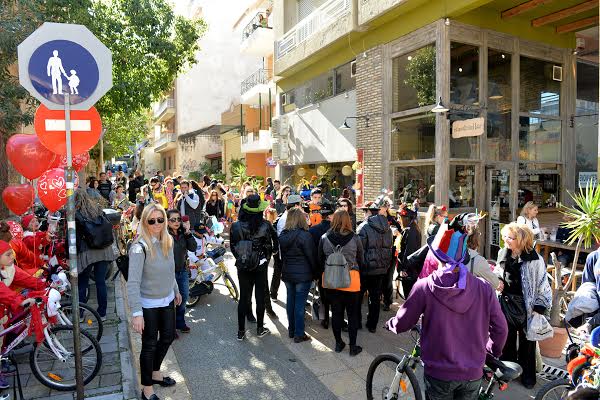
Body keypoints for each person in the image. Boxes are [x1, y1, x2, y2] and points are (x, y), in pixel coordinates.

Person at [385, 222, 508, 400]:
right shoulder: (484, 288)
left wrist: (392, 324)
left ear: (437, 257)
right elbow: (501, 329)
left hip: (438, 371)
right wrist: (490, 351)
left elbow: (404, 320)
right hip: (473, 370)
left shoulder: (425, 286)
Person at [127, 203, 181, 400]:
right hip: (148, 304)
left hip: (167, 300)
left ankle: (156, 372)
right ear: (145, 222)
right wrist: (136, 313)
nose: (157, 223)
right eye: (152, 220)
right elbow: (132, 283)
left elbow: (170, 268)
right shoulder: (139, 248)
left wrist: (175, 289)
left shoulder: (167, 240)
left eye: (160, 219)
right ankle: (147, 387)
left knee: (167, 337)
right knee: (149, 345)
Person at [496, 222, 552, 389]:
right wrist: (498, 280)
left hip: (528, 307)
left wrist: (539, 307)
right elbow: (498, 273)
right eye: (504, 236)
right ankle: (507, 373)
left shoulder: (535, 259)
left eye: (510, 237)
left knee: (528, 344)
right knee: (507, 341)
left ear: (521, 240)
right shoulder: (502, 252)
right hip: (506, 303)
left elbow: (543, 283)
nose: (506, 239)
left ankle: (528, 377)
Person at [230, 194, 278, 341]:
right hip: (260, 266)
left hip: (243, 265)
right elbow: (274, 245)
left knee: (244, 298)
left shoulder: (236, 225)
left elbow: (233, 246)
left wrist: (242, 257)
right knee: (260, 297)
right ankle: (259, 328)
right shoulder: (265, 225)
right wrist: (265, 257)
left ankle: (240, 331)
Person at [319, 209, 364, 355]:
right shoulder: (355, 238)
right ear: (347, 221)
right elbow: (361, 260)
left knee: (336, 314)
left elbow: (320, 260)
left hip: (331, 281)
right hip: (351, 280)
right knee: (352, 315)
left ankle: (338, 344)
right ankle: (353, 347)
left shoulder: (324, 237)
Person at [74, 189, 116, 321]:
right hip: (103, 250)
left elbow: (75, 238)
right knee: (100, 282)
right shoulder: (97, 209)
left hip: (87, 253)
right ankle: (102, 313)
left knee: (82, 284)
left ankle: (80, 314)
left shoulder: (76, 214)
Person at [279, 208, 318, 343]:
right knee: (300, 304)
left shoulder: (283, 235)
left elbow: (282, 257)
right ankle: (299, 333)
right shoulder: (305, 235)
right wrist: (315, 272)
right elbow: (311, 256)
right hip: (303, 274)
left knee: (291, 301)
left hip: (288, 273)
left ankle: (291, 330)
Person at [357, 197, 394, 333]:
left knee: (359, 297)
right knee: (375, 297)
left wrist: (360, 264)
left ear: (370, 213)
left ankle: (357, 323)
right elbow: (389, 247)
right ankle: (372, 325)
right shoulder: (388, 228)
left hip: (366, 268)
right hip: (381, 268)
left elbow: (359, 249)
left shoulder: (364, 227)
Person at [166, 209, 196, 334]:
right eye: (173, 219)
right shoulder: (164, 234)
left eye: (178, 219)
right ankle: (170, 328)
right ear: (167, 221)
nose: (176, 222)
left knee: (183, 297)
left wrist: (188, 232)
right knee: (170, 301)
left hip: (182, 271)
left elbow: (193, 247)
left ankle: (180, 322)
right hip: (168, 273)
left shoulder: (184, 233)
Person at [309, 202, 335, 328]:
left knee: (323, 293)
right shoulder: (337, 230)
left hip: (321, 267)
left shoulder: (313, 230)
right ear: (331, 216)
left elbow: (313, 252)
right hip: (336, 267)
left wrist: (315, 271)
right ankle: (337, 318)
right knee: (336, 294)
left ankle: (325, 319)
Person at [396, 207, 422, 299]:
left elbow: (409, 251)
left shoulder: (410, 231)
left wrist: (404, 269)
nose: (398, 220)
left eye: (400, 217)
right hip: (411, 268)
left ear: (405, 218)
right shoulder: (412, 229)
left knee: (409, 297)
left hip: (409, 270)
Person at [466, 225, 501, 289]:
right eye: (479, 234)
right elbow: (495, 284)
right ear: (476, 238)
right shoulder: (478, 261)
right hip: (470, 297)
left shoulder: (450, 255)